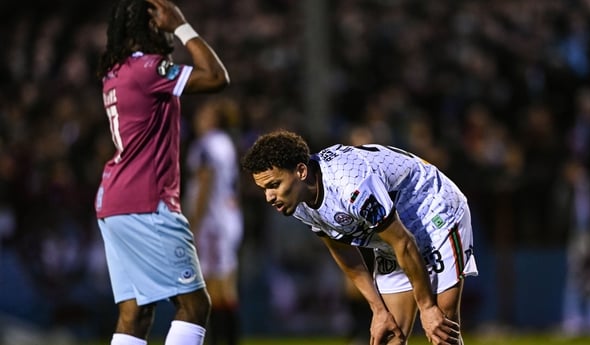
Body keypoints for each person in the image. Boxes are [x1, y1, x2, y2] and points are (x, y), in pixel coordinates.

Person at [241, 130, 478, 345]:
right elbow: (342, 249)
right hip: (393, 234)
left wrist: (426, 307)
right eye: (264, 189)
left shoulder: (352, 186)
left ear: (301, 171)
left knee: (441, 328)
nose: (269, 197)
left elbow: (403, 243)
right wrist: (378, 310)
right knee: (390, 335)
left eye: (274, 184)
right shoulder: (298, 201)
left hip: (435, 213)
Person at [94, 0, 229, 344]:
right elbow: (216, 77)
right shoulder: (146, 69)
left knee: (134, 314)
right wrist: (182, 26)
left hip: (113, 202)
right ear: (150, 26)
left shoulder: (116, 71)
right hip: (145, 201)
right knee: (194, 306)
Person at [184, 98, 243, 345]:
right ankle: (225, 339)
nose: (198, 120)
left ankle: (222, 340)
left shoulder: (207, 145)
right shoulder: (226, 142)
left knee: (214, 288)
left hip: (213, 222)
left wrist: (193, 224)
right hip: (227, 218)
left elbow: (205, 184)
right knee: (224, 285)